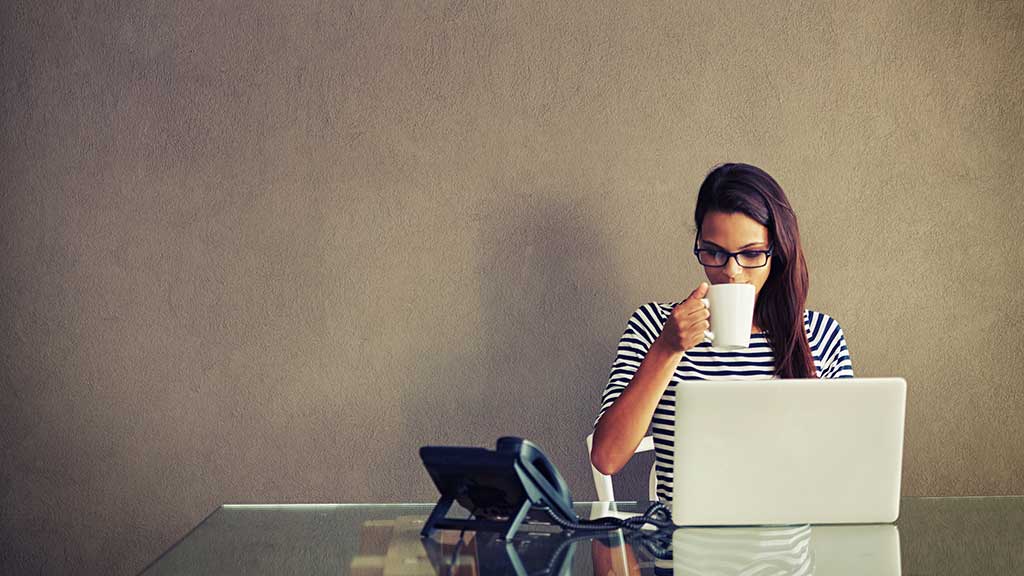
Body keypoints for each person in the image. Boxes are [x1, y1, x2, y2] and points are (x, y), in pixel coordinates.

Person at [590, 163, 854, 503]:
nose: (731, 271)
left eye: (752, 254)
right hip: (682, 548)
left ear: (779, 251)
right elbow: (607, 457)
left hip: (786, 548)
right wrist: (667, 349)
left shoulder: (820, 336)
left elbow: (846, 469)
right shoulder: (654, 325)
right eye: (714, 252)